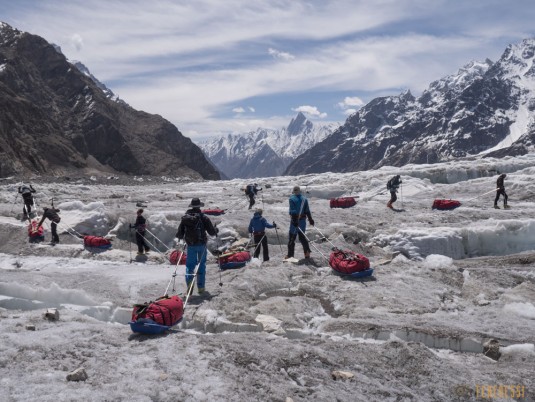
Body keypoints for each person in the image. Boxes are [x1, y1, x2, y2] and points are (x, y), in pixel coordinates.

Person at [176, 198, 218, 295]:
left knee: (190, 266)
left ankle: (190, 285)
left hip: (190, 245)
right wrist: (216, 230)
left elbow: (179, 233)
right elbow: (212, 232)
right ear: (199, 206)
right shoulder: (203, 217)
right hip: (201, 245)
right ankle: (201, 288)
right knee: (201, 265)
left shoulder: (185, 218)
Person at [285, 186, 313, 260]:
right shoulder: (304, 199)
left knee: (292, 238)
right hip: (302, 221)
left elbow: (293, 210)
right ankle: (307, 253)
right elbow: (307, 211)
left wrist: (294, 221)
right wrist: (310, 219)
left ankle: (290, 255)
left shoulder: (292, 199)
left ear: (294, 191)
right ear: (300, 191)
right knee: (302, 237)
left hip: (295, 221)